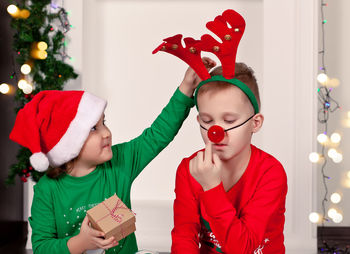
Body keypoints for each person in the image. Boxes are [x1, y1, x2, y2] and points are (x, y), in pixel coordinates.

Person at [9, 57, 216, 254]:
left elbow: (158, 134)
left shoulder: (119, 163)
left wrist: (186, 88)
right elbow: (41, 247)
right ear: (69, 144)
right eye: (93, 129)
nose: (106, 133)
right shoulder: (48, 189)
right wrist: (80, 243)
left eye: (104, 123)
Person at [171, 64, 288, 254]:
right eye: (207, 121)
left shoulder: (271, 172)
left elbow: (242, 248)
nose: (216, 132)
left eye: (230, 121)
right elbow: (184, 238)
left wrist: (211, 188)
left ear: (255, 123)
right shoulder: (189, 169)